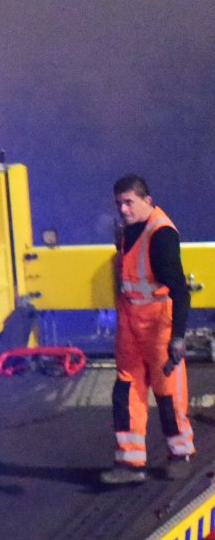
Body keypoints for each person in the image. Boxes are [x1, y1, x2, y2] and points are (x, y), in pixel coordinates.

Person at [102, 174, 195, 484]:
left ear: (147, 201)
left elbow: (180, 290)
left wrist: (178, 337)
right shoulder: (129, 231)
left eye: (129, 202)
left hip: (158, 322)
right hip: (131, 319)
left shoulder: (161, 235)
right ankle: (130, 463)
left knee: (167, 391)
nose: (123, 210)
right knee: (127, 389)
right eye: (119, 203)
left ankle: (180, 454)